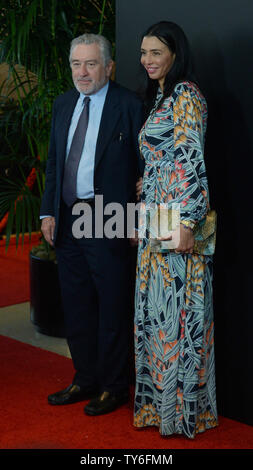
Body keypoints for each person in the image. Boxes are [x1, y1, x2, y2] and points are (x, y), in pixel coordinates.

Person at [40, 33, 143, 415]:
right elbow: (54, 161)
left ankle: (114, 386)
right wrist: (47, 212)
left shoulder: (130, 105)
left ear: (108, 67)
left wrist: (138, 215)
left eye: (91, 64)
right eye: (76, 64)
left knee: (112, 305)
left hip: (109, 217)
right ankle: (84, 379)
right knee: (77, 305)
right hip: (68, 217)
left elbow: (147, 167)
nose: (82, 73)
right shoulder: (63, 103)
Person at [133, 21, 218, 438]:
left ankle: (181, 413)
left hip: (176, 220)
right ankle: (162, 408)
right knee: (158, 317)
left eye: (156, 52)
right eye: (143, 53)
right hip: (155, 218)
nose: (147, 60)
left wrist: (187, 222)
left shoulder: (184, 94)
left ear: (174, 53)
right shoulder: (162, 96)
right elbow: (163, 160)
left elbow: (191, 161)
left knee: (177, 317)